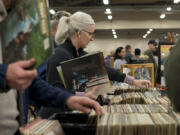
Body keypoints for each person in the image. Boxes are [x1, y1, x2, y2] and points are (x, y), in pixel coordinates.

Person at [0, 1, 103, 134]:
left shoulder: (11, 20)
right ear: (79, 33)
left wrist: (68, 99)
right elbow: (55, 84)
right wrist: (3, 74)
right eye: (90, 34)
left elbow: (31, 83)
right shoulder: (60, 54)